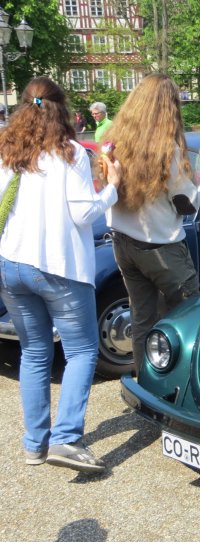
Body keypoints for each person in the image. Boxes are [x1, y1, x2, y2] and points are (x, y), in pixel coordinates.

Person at [0, 78, 120, 471]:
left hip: (11, 264)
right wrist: (113, 187)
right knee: (82, 351)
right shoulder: (70, 154)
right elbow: (84, 213)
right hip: (57, 266)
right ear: (62, 110)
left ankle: (35, 443)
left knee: (33, 352)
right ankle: (66, 439)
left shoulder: (6, 150)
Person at [104, 74, 199, 375]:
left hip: (123, 241)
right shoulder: (166, 149)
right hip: (160, 246)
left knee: (142, 316)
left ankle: (146, 379)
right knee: (189, 312)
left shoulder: (117, 143)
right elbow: (184, 200)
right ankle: (178, 381)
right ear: (167, 107)